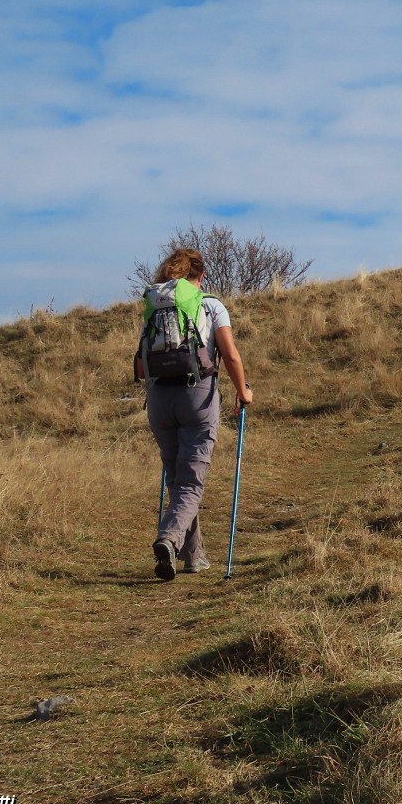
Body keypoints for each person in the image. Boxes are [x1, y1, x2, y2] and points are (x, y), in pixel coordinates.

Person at [137, 248, 253, 581]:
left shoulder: (154, 309)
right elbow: (229, 355)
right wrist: (243, 390)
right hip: (197, 395)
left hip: (159, 398)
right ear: (200, 276)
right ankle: (169, 539)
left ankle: (194, 556)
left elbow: (142, 367)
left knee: (177, 479)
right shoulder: (211, 305)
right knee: (190, 482)